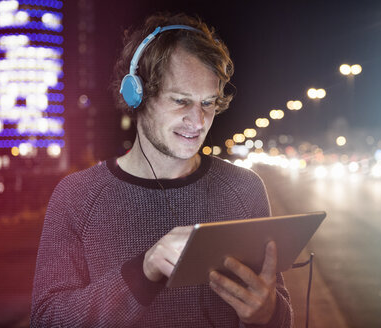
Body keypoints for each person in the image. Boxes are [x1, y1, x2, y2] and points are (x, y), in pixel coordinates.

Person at [31, 12, 293, 327]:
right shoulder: (76, 196)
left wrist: (269, 313)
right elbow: (46, 320)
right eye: (181, 101)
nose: (198, 122)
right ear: (137, 95)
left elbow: (278, 312)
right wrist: (144, 271)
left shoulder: (244, 188)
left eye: (207, 103)